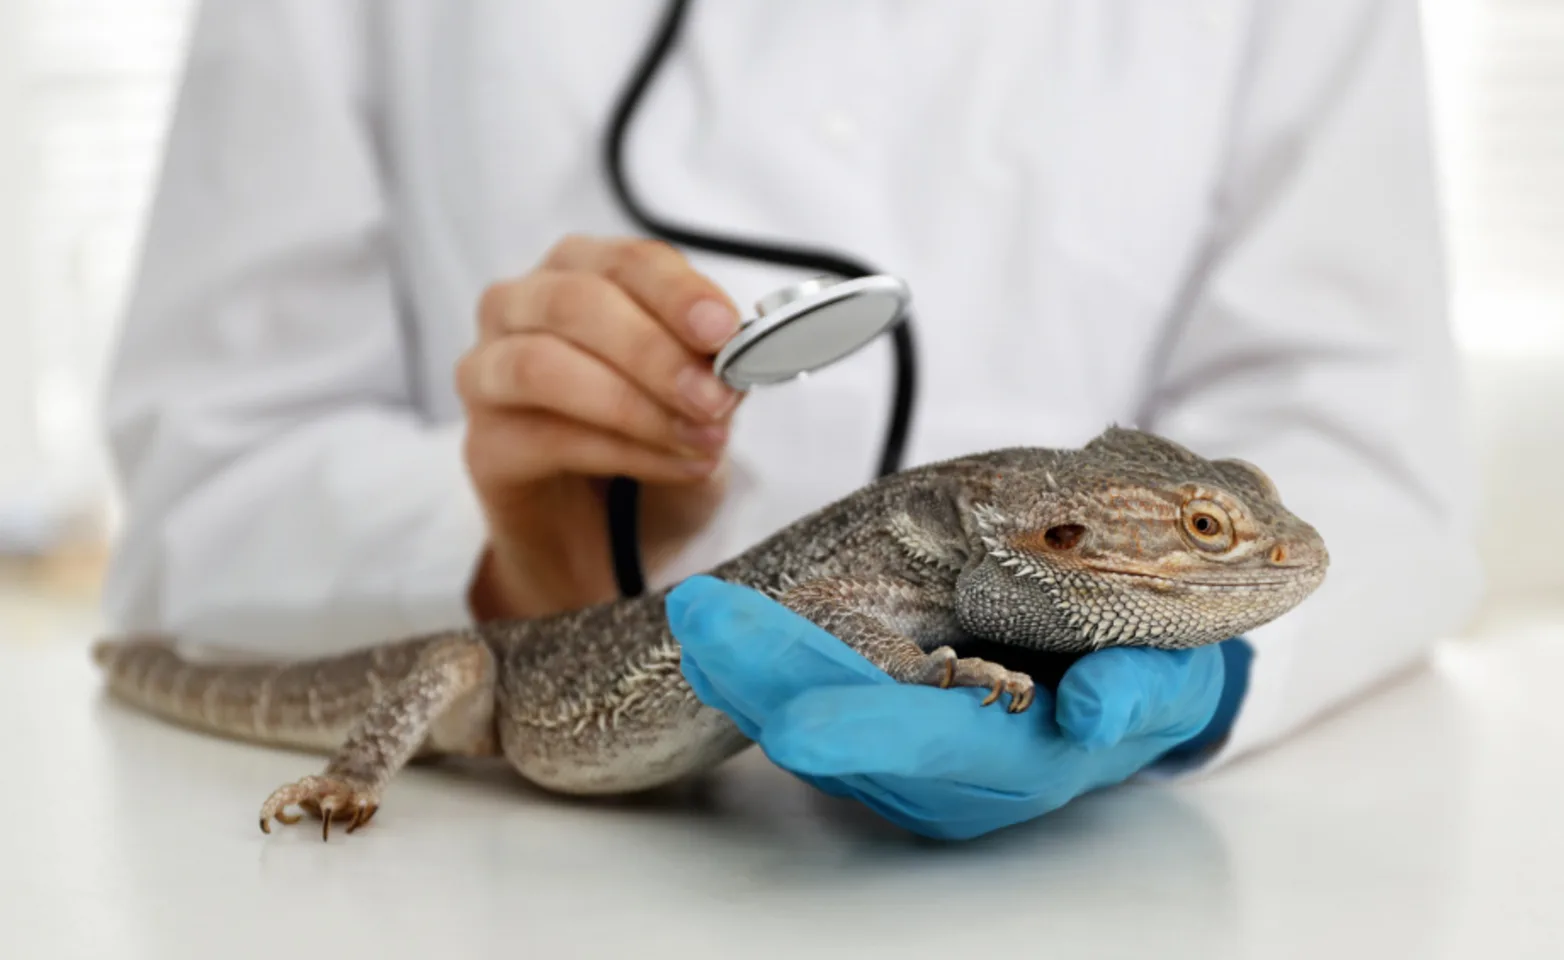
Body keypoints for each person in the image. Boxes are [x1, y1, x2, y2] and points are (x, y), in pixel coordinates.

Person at [100, 1, 1479, 839]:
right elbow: (218, 454)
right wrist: (517, 550)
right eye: (1195, 527)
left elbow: (1366, 436)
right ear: (1052, 528)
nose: (1214, 538)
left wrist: (1212, 680)